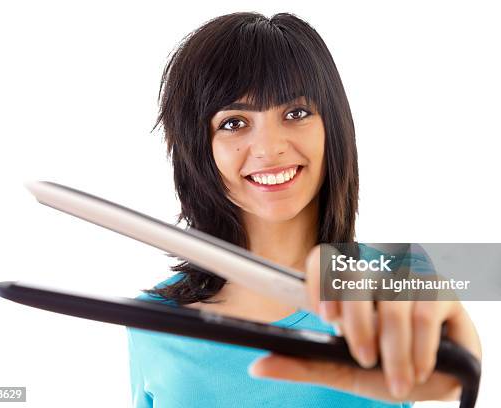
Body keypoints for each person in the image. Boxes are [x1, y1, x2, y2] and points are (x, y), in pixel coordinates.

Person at [127, 12, 482, 407]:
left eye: (295, 113)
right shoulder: (151, 320)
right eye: (233, 123)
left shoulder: (393, 275)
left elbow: (449, 364)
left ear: (333, 126)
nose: (269, 148)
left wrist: (458, 361)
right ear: (198, 147)